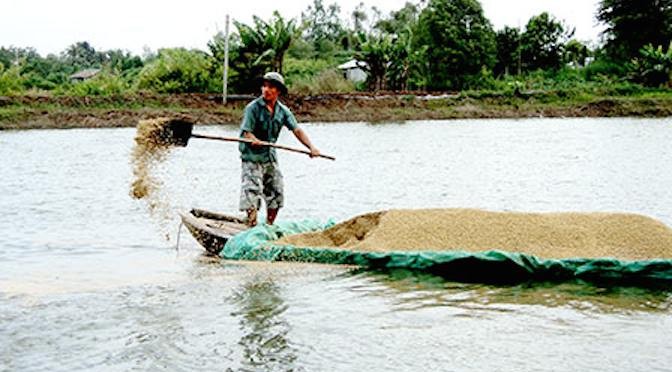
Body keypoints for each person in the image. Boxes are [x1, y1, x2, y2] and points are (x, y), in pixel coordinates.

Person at [238, 72, 321, 227]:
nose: (266, 90)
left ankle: (269, 225)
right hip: (252, 157)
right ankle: (252, 224)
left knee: (276, 191)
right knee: (252, 190)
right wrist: (253, 139)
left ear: (278, 91)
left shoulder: (283, 111)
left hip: (269, 156)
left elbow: (296, 130)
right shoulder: (253, 108)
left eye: (271, 87)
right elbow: (246, 131)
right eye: (265, 86)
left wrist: (311, 147)